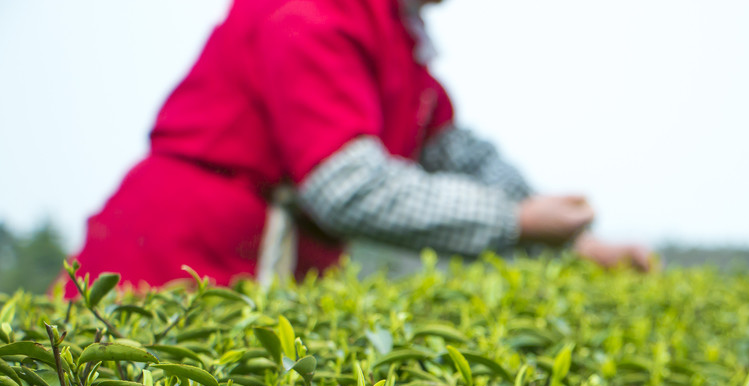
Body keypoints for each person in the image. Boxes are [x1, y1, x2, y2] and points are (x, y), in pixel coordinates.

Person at [69, 0, 651, 289]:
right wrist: (517, 222)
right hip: (173, 259)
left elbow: (457, 155)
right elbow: (348, 187)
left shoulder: (392, 32)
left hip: (265, 260)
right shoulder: (313, 14)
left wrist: (580, 244)